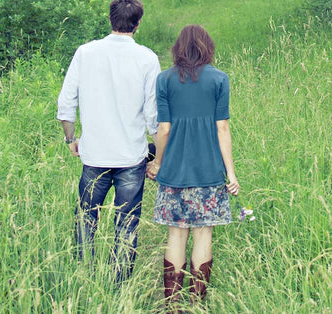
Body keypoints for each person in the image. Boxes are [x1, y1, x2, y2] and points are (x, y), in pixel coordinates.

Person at [56, 0, 160, 283]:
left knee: (86, 220)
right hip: (131, 158)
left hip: (94, 155)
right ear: (138, 24)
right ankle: (120, 285)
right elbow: (154, 117)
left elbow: (66, 104)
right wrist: (159, 157)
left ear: (110, 20)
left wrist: (70, 139)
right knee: (126, 225)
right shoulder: (147, 59)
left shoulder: (85, 53)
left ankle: (83, 278)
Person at [146, 25, 240, 311]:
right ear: (206, 47)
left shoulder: (165, 80)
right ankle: (197, 303)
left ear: (178, 49)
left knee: (176, 234)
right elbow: (222, 128)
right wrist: (231, 174)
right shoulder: (219, 79)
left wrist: (158, 162)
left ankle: (173, 306)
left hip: (173, 172)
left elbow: (164, 128)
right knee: (204, 233)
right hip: (209, 172)